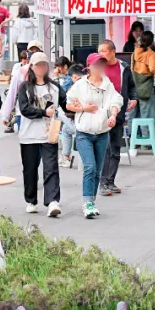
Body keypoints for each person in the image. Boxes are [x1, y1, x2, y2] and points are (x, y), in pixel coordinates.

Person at [66, 53, 124, 219]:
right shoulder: (80, 85)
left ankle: (91, 202)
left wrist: (113, 116)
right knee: (90, 167)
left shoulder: (107, 84)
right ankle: (87, 203)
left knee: (98, 170)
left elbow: (116, 101)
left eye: (102, 65)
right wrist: (84, 108)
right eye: (96, 65)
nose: (100, 68)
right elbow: (69, 104)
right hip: (84, 133)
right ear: (89, 67)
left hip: (102, 133)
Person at [17, 53, 66, 217]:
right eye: (38, 65)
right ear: (31, 67)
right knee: (30, 169)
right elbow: (24, 109)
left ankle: (52, 201)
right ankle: (31, 200)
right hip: (28, 135)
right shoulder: (24, 87)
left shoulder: (54, 87)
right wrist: (44, 112)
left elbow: (66, 104)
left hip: (49, 134)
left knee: (51, 168)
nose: (41, 68)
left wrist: (78, 107)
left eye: (44, 65)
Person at [96, 40, 137, 196]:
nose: (101, 54)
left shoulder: (123, 67)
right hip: (102, 113)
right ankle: (102, 182)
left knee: (115, 148)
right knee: (105, 148)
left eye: (104, 51)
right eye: (99, 51)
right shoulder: (97, 67)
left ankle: (110, 180)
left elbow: (131, 85)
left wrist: (133, 98)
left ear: (113, 51)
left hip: (118, 111)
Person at [58, 64, 85, 168]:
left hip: (84, 123)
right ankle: (65, 157)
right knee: (65, 129)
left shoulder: (77, 86)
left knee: (59, 111)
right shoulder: (92, 82)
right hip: (86, 119)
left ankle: (65, 158)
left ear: (74, 76)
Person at [0, 48, 30, 133]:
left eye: (26, 58)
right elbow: (13, 81)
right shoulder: (18, 67)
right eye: (23, 58)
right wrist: (5, 116)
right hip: (17, 93)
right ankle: (10, 125)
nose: (24, 60)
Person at [132, 31, 155, 123]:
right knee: (147, 116)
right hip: (146, 88)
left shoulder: (135, 52)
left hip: (135, 86)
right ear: (152, 41)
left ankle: (133, 132)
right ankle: (147, 132)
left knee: (134, 116)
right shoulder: (151, 54)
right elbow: (152, 68)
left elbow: (132, 67)